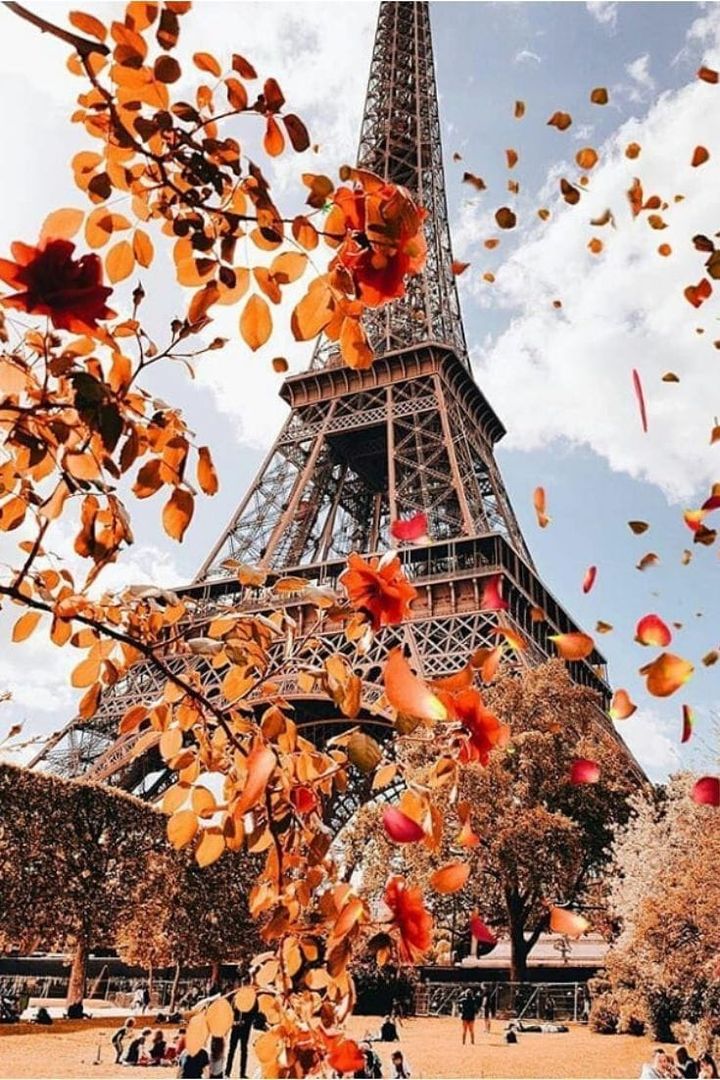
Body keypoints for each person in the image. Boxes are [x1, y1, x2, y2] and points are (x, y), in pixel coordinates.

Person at [225, 998, 259, 1077]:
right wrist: (233, 1021)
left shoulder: (251, 997)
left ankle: (242, 1074)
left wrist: (246, 1021)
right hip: (235, 1027)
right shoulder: (236, 997)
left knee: (244, 1050)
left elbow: (255, 1012)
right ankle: (227, 1071)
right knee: (231, 1050)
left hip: (245, 1028)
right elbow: (231, 1010)